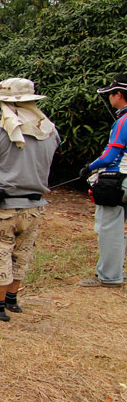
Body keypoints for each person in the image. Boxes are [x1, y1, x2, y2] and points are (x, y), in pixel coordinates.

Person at [0, 78, 60, 320]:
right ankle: (11, 300)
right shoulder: (49, 131)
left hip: (1, 206)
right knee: (21, 253)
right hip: (34, 205)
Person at [78, 74, 127, 287]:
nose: (109, 98)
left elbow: (110, 155)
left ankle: (109, 276)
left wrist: (89, 167)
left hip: (118, 180)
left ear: (119, 95)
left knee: (109, 229)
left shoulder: (123, 121)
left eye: (111, 94)